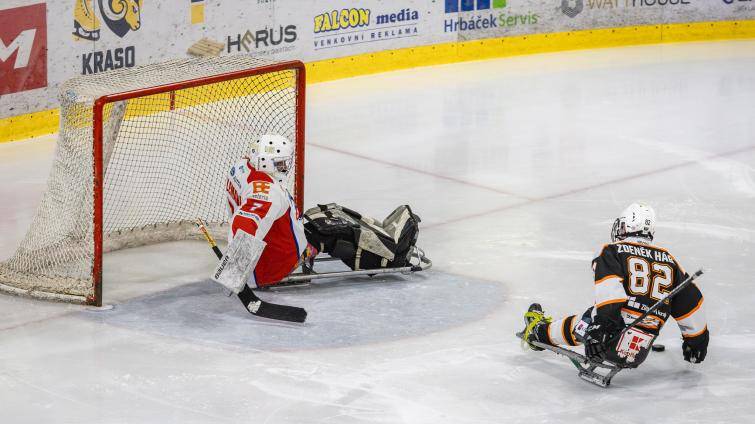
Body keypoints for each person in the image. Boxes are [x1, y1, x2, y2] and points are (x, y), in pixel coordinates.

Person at [520, 203, 709, 367]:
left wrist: (600, 329)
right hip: (640, 349)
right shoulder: (669, 260)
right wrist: (696, 341)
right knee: (607, 315)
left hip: (607, 341)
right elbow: (691, 304)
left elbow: (610, 293)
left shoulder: (613, 250)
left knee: (589, 316)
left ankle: (538, 333)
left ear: (627, 225)